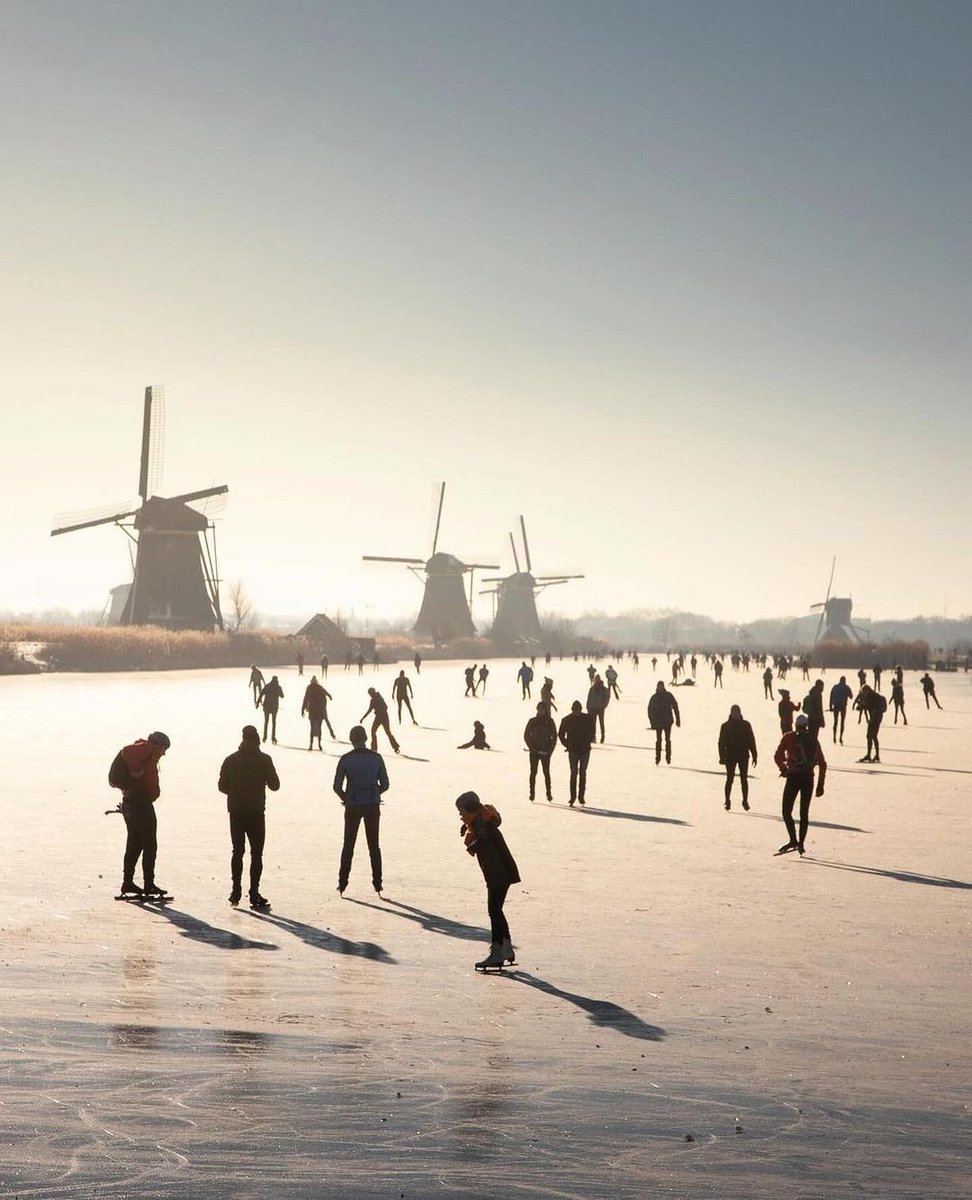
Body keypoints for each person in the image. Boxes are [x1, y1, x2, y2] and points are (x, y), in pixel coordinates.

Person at [218, 724, 280, 909]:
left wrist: (236, 792)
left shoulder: (230, 759)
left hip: (236, 811)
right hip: (256, 811)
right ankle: (254, 893)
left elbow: (222, 786)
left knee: (237, 851)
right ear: (257, 739)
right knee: (256, 853)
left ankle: (235, 891)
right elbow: (275, 785)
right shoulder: (264, 759)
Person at [456, 792, 519, 970]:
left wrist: (473, 845)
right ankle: (505, 948)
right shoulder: (480, 821)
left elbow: (484, 837)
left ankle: (498, 950)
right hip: (500, 872)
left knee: (494, 910)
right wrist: (469, 828)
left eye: (461, 811)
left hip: (498, 873)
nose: (460, 815)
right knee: (496, 910)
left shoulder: (482, 824)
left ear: (471, 809)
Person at [111, 731, 171, 897]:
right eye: (164, 749)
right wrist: (137, 771)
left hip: (131, 803)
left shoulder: (146, 752)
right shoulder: (146, 749)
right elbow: (127, 751)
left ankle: (128, 882)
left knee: (134, 844)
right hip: (140, 804)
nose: (164, 753)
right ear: (158, 745)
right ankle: (148, 884)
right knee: (150, 845)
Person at [333, 725, 389, 895]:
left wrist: (346, 797)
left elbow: (337, 786)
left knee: (348, 845)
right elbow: (385, 784)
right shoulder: (376, 758)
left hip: (353, 806)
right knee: (374, 845)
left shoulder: (345, 759)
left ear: (351, 740)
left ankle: (342, 883)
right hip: (372, 805)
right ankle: (377, 883)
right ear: (365, 739)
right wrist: (374, 793)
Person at [773, 714, 827, 856]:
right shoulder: (814, 741)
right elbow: (822, 764)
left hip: (793, 778)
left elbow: (777, 756)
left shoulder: (788, 737)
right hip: (808, 779)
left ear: (796, 726)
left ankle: (793, 840)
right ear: (807, 726)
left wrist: (784, 769)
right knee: (804, 813)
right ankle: (801, 843)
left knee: (786, 811)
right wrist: (820, 785)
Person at [718, 705, 757, 811]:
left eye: (737, 713)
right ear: (731, 713)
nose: (736, 715)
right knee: (729, 779)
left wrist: (754, 754)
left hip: (743, 755)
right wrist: (722, 757)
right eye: (734, 713)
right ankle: (727, 801)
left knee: (744, 779)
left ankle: (745, 801)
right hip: (730, 756)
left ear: (740, 713)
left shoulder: (746, 725)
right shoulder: (725, 726)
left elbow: (751, 740)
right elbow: (721, 743)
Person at [558, 700, 594, 807]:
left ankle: (581, 797)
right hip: (573, 750)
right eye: (575, 710)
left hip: (585, 750)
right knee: (573, 773)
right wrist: (567, 745)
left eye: (578, 710)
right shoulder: (567, 719)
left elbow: (592, 732)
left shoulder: (587, 719)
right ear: (572, 710)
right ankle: (572, 797)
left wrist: (587, 742)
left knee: (582, 773)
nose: (577, 712)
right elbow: (561, 734)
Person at [524, 701, 558, 802]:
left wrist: (550, 751)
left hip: (546, 751)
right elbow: (526, 735)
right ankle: (532, 793)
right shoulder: (532, 721)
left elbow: (554, 737)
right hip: (534, 752)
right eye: (539, 709)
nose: (541, 711)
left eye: (543, 709)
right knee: (533, 773)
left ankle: (549, 793)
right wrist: (531, 748)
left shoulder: (550, 721)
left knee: (546, 773)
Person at [647, 681, 681, 765]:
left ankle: (668, 757)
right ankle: (657, 758)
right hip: (658, 722)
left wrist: (678, 719)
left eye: (661, 687)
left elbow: (675, 706)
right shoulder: (654, 698)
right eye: (659, 687)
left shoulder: (668, 696)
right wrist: (652, 723)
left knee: (667, 740)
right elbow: (650, 710)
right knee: (658, 740)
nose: (660, 688)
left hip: (667, 722)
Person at [361, 687, 400, 754]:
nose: (370, 695)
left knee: (375, 731)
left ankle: (374, 748)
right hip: (383, 716)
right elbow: (384, 707)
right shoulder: (378, 697)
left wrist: (363, 718)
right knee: (385, 732)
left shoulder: (375, 699)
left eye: (370, 693)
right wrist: (363, 718)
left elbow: (371, 710)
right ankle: (395, 747)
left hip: (380, 717)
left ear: (372, 693)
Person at [301, 675, 335, 748]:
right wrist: (329, 696)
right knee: (320, 726)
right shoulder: (319, 687)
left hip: (312, 710)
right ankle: (319, 743)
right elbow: (325, 692)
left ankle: (311, 744)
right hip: (320, 709)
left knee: (312, 727)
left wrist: (303, 709)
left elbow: (306, 698)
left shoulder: (309, 688)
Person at [857, 684, 887, 763]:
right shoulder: (873, 696)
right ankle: (874, 755)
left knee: (871, 736)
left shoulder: (871, 697)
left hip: (875, 718)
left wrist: (861, 706)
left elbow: (869, 706)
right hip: (877, 718)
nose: (863, 693)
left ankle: (871, 755)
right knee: (872, 736)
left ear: (867, 690)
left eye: (864, 692)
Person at [257, 675, 284, 744]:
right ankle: (273, 737)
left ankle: (264, 737)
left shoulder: (267, 686)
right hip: (274, 707)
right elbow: (282, 696)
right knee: (273, 722)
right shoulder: (278, 687)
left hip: (266, 706)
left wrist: (257, 703)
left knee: (266, 721)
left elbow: (261, 694)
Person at [829, 676, 854, 744]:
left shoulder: (835, 687)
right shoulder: (846, 687)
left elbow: (831, 696)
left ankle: (834, 737)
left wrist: (830, 706)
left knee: (835, 722)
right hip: (843, 706)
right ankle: (840, 737)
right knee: (842, 722)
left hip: (836, 706)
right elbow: (851, 696)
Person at [586, 673, 610, 743]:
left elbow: (607, 697)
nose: (596, 680)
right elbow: (589, 698)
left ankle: (602, 737)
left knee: (601, 723)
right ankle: (593, 737)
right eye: (596, 679)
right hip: (592, 708)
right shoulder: (592, 688)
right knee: (593, 724)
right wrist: (588, 707)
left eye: (597, 679)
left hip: (600, 708)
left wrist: (604, 705)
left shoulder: (603, 689)